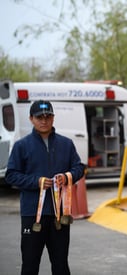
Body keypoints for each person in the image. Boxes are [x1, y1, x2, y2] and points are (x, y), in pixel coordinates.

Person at [5, 100, 85, 275]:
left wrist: (66, 177)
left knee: (60, 264)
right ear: (31, 119)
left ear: (53, 118)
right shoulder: (22, 145)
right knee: (30, 264)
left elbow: (79, 168)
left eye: (48, 116)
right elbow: (11, 175)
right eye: (39, 117)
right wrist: (36, 182)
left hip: (60, 215)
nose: (44, 120)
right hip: (32, 214)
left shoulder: (66, 144)